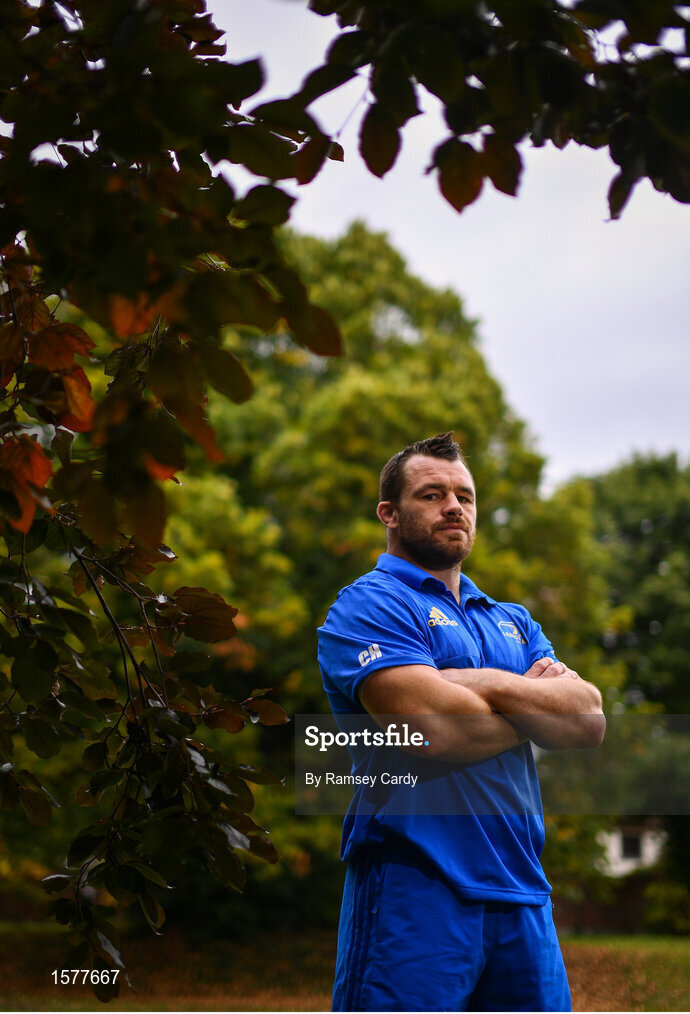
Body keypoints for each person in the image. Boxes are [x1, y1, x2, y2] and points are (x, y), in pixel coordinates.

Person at [317, 432, 605, 1013]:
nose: (454, 507)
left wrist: (478, 684)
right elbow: (433, 729)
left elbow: (588, 720)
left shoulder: (512, 620)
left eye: (465, 496)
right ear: (389, 514)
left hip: (523, 890)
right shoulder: (369, 605)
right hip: (415, 881)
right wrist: (527, 704)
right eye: (432, 494)